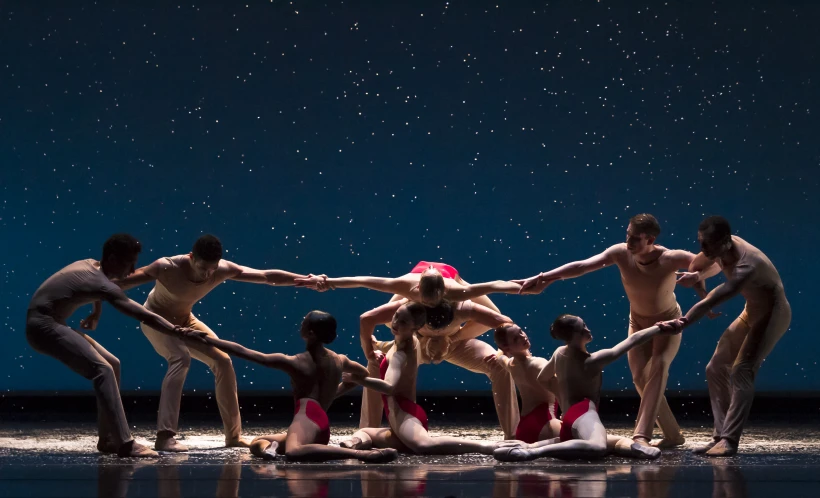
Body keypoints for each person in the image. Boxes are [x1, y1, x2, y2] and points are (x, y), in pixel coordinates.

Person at [90, 234, 327, 451]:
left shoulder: (220, 269)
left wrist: (304, 280)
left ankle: (233, 436)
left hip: (186, 320)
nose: (206, 275)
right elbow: (114, 284)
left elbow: (266, 276)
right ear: (191, 257)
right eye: (203, 268)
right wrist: (94, 305)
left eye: (211, 270)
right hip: (155, 319)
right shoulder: (166, 266)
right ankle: (165, 436)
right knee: (180, 358)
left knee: (223, 360)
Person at [514, 213, 720, 448]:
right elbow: (582, 266)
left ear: (650, 239)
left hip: (668, 322)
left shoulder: (671, 258)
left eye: (635, 239)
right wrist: (544, 277)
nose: (629, 243)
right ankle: (673, 435)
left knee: (659, 368)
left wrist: (698, 274)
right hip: (638, 322)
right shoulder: (620, 253)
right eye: (627, 236)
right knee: (639, 379)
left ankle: (641, 435)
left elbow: (714, 264)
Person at [25, 233, 194, 458]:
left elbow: (98, 290)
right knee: (101, 370)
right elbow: (143, 315)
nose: (132, 270)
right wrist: (174, 330)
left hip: (51, 323)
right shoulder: (100, 282)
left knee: (112, 364)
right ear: (113, 260)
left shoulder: (91, 266)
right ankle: (126, 443)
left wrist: (95, 313)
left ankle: (107, 440)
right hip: (43, 327)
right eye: (129, 263)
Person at [188, 310, 398, 463]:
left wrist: (208, 340)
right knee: (257, 443)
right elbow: (362, 374)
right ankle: (271, 447)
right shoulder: (339, 360)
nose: (301, 324)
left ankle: (361, 454)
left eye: (304, 322)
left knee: (294, 452)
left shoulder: (295, 361)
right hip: (319, 423)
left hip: (306, 417)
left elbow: (246, 352)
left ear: (311, 333)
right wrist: (339, 388)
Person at [664, 216, 791, 457]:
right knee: (715, 368)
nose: (702, 249)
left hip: (773, 314)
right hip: (751, 311)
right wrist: (697, 279)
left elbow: (715, 297)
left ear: (725, 242)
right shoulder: (718, 248)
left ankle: (730, 441)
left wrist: (682, 322)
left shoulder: (747, 264)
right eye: (700, 242)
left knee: (742, 370)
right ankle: (719, 436)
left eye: (708, 244)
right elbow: (698, 265)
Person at [493, 314, 680, 461]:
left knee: (611, 442)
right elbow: (631, 342)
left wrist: (562, 394)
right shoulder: (593, 361)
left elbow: (542, 377)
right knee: (597, 446)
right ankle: (532, 452)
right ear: (573, 335)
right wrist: (657, 329)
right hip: (582, 411)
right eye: (583, 328)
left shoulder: (558, 353)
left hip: (567, 420)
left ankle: (638, 449)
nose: (587, 330)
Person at [341, 302, 509, 456]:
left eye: (403, 322)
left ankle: (486, 447)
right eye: (396, 316)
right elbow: (392, 346)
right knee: (364, 433)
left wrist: (358, 380)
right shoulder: (410, 341)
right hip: (400, 420)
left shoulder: (401, 355)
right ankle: (356, 442)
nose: (395, 323)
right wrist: (377, 345)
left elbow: (390, 387)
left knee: (423, 446)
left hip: (404, 415)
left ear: (417, 328)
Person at [297, 261, 521, 307]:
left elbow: (496, 285)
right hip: (419, 274)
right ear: (416, 291)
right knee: (387, 317)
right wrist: (327, 282)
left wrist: (525, 287)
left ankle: (451, 339)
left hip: (449, 273)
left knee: (495, 314)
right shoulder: (404, 285)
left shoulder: (458, 291)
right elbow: (362, 281)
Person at [484, 323, 561, 444]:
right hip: (547, 425)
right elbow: (563, 387)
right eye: (516, 338)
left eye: (521, 331)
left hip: (524, 429)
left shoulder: (511, 365)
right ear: (507, 348)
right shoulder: (539, 363)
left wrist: (499, 354)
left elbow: (501, 358)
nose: (522, 337)